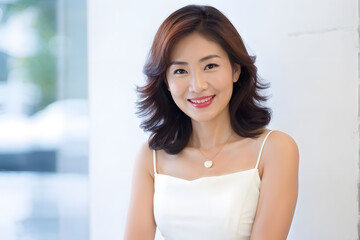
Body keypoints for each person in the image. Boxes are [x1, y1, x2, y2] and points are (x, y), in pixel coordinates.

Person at [124, 4, 299, 240]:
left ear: (235, 70)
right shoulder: (151, 156)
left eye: (210, 66)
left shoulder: (275, 149)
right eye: (180, 71)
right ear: (165, 80)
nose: (198, 85)